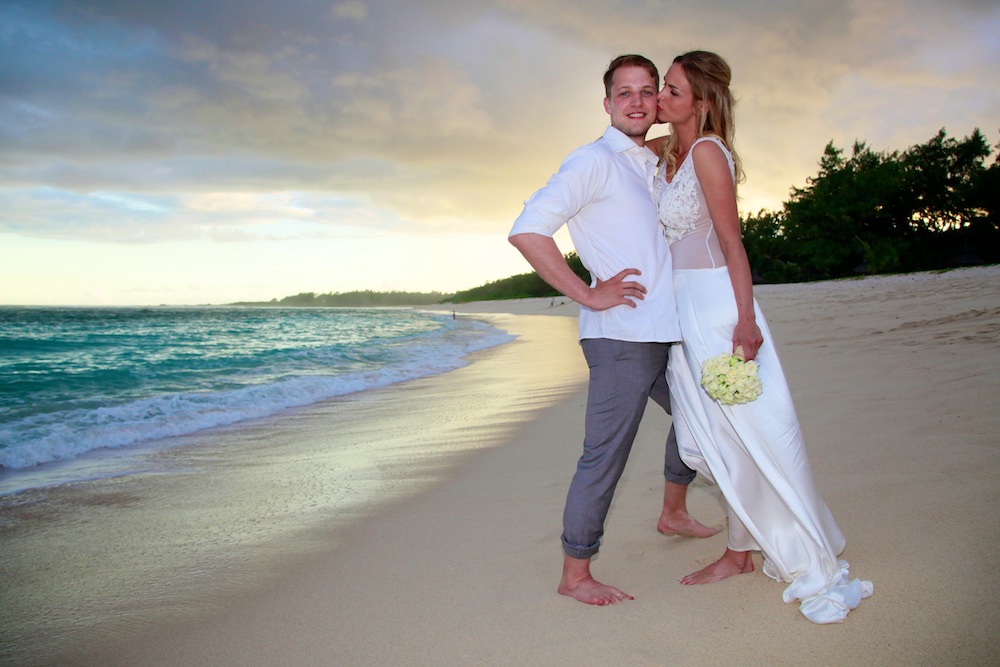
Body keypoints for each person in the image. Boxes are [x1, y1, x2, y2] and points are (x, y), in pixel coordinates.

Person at [648, 50, 873, 623]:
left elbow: (732, 244)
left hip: (718, 306)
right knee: (717, 435)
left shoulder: (705, 152)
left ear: (700, 102)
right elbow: (619, 149)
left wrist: (745, 322)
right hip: (681, 311)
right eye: (660, 88)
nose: (659, 98)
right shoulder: (669, 151)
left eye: (671, 90)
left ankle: (745, 552)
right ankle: (740, 549)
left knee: (750, 429)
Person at [508, 54, 717, 607]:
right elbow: (527, 230)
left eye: (648, 91)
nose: (637, 101)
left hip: (667, 329)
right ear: (607, 104)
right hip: (621, 337)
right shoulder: (592, 160)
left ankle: (673, 512)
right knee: (605, 455)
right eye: (624, 93)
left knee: (700, 415)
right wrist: (586, 292)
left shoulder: (646, 162)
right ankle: (575, 572)